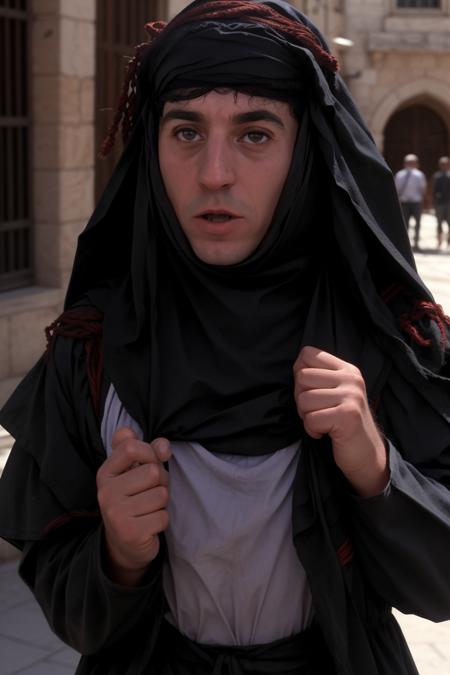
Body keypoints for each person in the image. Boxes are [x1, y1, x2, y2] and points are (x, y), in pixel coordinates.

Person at [0, 1, 450, 673]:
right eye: (186, 131)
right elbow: (67, 603)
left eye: (255, 134)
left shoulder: (384, 336)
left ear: (305, 149)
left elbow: (439, 586)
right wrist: (117, 553)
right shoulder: (93, 348)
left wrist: (377, 468)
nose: (214, 173)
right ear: (151, 147)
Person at [394, 153, 427, 250]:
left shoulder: (418, 175)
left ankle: (412, 243)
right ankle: (408, 243)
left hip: (414, 202)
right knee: (406, 224)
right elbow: (423, 189)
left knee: (414, 223)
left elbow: (423, 189)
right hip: (407, 202)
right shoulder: (401, 175)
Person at [432, 155, 450, 248]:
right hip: (439, 204)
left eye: (445, 164)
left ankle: (449, 240)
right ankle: (439, 240)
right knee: (439, 223)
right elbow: (434, 190)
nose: (444, 166)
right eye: (442, 164)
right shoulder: (437, 176)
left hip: (449, 203)